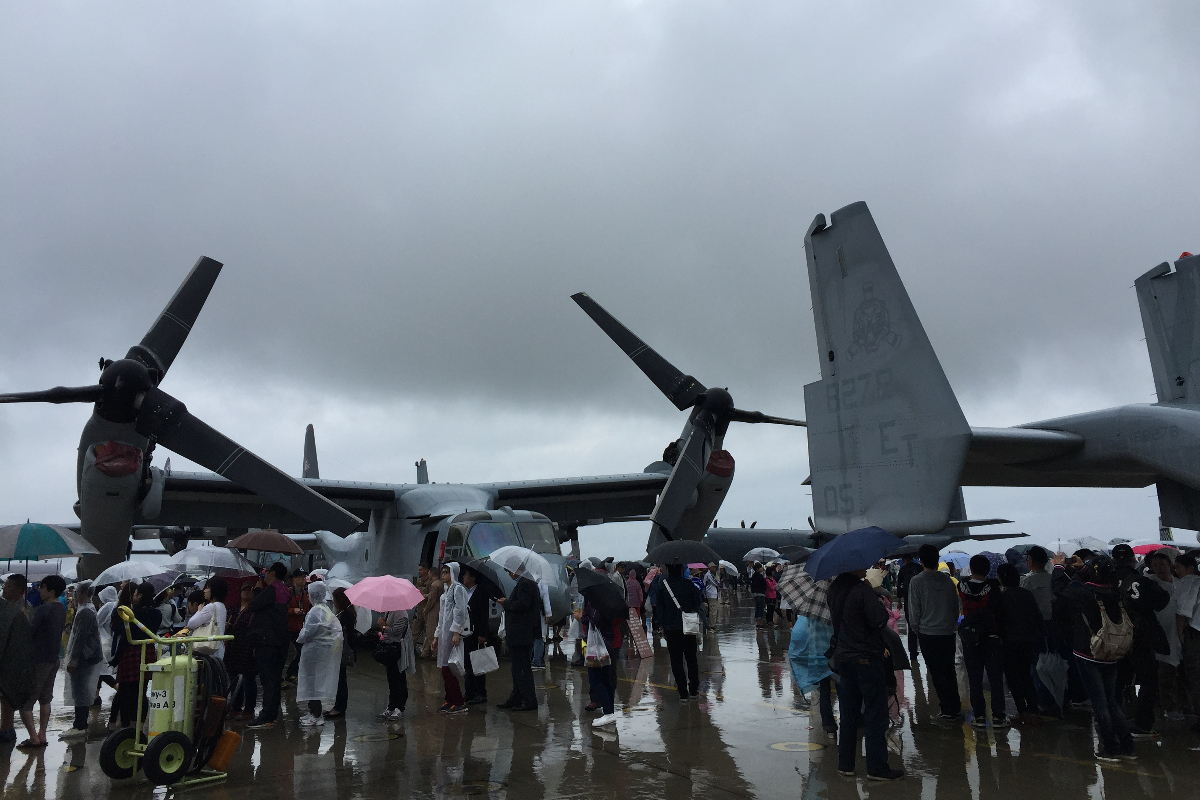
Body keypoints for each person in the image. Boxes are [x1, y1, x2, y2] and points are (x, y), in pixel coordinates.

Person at [828, 568, 903, 781]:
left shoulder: (834, 589)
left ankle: (846, 764)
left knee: (849, 712)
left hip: (844, 657)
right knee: (875, 713)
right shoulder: (862, 590)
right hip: (866, 657)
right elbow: (879, 620)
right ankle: (877, 766)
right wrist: (874, 598)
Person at [1061, 555, 1136, 762]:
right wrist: (1085, 569)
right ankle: (1127, 746)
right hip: (1111, 654)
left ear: (1093, 573)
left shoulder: (1084, 592)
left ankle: (1110, 748)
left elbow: (1060, 587)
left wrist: (1060, 565)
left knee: (1099, 704)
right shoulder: (1115, 591)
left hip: (1089, 652)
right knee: (1111, 702)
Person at [1111, 543, 1170, 739]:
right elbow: (1162, 600)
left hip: (1113, 638)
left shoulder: (1105, 581)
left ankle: (1113, 718)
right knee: (1148, 680)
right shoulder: (1140, 581)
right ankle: (1143, 724)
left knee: (1117, 680)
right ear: (1132, 559)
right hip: (1140, 638)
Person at [907, 544, 962, 721]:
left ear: (921, 561)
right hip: (947, 633)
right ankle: (955, 707)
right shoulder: (947, 581)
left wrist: (917, 630)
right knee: (949, 670)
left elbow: (914, 611)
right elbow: (955, 607)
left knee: (936, 673)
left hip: (928, 633)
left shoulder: (916, 582)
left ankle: (946, 709)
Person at [15, 575, 68, 749]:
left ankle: (33, 737)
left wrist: (25, 617)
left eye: (43, 588)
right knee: (45, 699)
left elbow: (30, 633)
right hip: (53, 659)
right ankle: (42, 734)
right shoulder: (61, 609)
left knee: (26, 702)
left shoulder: (43, 610)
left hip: (38, 660)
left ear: (51, 591)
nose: (40, 591)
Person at [958, 554, 1008, 729]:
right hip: (991, 636)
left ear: (971, 568)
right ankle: (998, 716)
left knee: (974, 678)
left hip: (970, 637)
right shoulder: (993, 587)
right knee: (995, 679)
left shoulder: (962, 586)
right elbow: (1001, 613)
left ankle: (979, 716)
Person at [111, 581, 161, 730]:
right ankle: (137, 726)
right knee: (142, 691)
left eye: (135, 593)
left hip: (131, 653)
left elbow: (126, 637)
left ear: (139, 595)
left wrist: (116, 658)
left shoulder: (132, 614)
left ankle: (121, 726)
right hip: (149, 652)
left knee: (125, 692)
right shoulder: (157, 613)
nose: (133, 595)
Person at [996, 564, 1042, 724]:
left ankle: (1022, 711)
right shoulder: (1027, 594)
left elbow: (999, 621)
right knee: (1026, 676)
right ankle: (1034, 711)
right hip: (1028, 640)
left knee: (1012, 678)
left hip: (1009, 642)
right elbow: (1037, 617)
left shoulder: (1001, 597)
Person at [247, 563, 290, 729]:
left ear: (272, 573)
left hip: (267, 640)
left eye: (266, 572)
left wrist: (258, 590)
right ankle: (272, 713)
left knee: (268, 679)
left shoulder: (272, 590)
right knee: (275, 678)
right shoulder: (285, 590)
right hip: (280, 640)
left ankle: (266, 715)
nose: (264, 574)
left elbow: (255, 605)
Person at [296, 581, 342, 726]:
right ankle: (313, 712)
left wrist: (300, 636)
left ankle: (316, 715)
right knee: (313, 683)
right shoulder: (325, 610)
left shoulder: (315, 611)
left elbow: (307, 633)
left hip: (313, 654)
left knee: (312, 684)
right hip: (318, 654)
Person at [1145, 550, 1184, 721]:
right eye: (1155, 565)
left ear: (1170, 565)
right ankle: (1168, 707)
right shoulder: (1149, 584)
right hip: (1159, 634)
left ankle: (1182, 706)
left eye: (1162, 564)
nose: (1159, 568)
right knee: (1164, 673)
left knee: (1178, 672)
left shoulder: (1179, 584)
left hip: (1177, 633)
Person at [61, 581, 102, 739]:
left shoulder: (85, 612)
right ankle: (80, 723)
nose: (75, 595)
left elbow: (79, 638)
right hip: (88, 657)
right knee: (82, 691)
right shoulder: (87, 609)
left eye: (77, 592)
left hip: (84, 658)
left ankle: (80, 725)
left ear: (84, 593)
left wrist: (73, 660)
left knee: (80, 692)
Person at [655, 564, 703, 700]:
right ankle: (694, 689)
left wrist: (662, 626)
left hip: (671, 628)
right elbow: (697, 603)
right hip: (688, 626)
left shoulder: (663, 586)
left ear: (668, 570)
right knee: (691, 659)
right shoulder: (688, 584)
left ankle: (683, 692)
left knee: (676, 661)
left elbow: (659, 609)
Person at [497, 567, 541, 712]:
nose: (509, 575)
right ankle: (516, 697)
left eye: (509, 571)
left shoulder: (526, 584)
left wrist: (506, 603)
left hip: (521, 632)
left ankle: (529, 700)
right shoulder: (525, 583)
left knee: (522, 668)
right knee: (517, 668)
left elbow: (522, 604)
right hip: (519, 633)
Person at [577, 593, 620, 727]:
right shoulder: (608, 599)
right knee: (606, 679)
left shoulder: (596, 601)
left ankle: (608, 712)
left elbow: (594, 620)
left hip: (598, 646)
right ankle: (610, 711)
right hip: (607, 643)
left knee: (595, 679)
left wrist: (581, 617)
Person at [432, 563, 469, 713]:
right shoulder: (445, 593)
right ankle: (449, 699)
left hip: (452, 634)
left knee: (449, 668)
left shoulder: (458, 589)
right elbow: (441, 617)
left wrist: (456, 632)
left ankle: (458, 701)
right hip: (444, 634)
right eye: (443, 572)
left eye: (447, 572)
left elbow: (460, 611)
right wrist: (436, 636)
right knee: (444, 668)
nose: (443, 575)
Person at [0, 579, 33, 744]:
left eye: (9, 586)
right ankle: (6, 727)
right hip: (11, 656)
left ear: (19, 589)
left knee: (8, 693)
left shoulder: (23, 609)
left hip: (15, 658)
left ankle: (7, 729)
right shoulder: (8, 608)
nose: (5, 589)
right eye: (4, 586)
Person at [1172, 552, 1200, 732]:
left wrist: (1180, 637)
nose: (1176, 572)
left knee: (1196, 676)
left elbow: (1182, 612)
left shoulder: (1190, 581)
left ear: (1190, 568)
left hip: (1196, 634)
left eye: (1179, 568)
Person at [224, 583, 258, 720]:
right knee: (233, 676)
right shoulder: (233, 608)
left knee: (248, 679)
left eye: (249, 589)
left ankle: (249, 709)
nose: (246, 592)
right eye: (243, 589)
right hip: (233, 646)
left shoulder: (255, 609)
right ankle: (236, 707)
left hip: (248, 647)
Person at [378, 604, 415, 721]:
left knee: (399, 678)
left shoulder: (401, 613)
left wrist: (384, 626)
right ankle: (391, 706)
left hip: (398, 650)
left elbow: (396, 632)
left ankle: (400, 707)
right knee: (391, 679)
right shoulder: (390, 610)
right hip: (390, 648)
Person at [461, 568, 491, 705]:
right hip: (466, 632)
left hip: (476, 633)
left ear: (472, 578)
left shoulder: (481, 593)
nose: (463, 577)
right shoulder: (464, 592)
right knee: (467, 664)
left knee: (477, 663)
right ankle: (469, 692)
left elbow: (484, 616)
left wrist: (482, 634)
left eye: (466, 575)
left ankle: (480, 693)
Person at [329, 587, 357, 718]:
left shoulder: (344, 615)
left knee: (340, 680)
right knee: (340, 679)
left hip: (342, 651)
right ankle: (338, 705)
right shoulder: (347, 613)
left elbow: (343, 635)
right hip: (343, 650)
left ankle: (339, 707)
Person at [185, 577, 228, 658]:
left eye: (208, 588)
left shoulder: (210, 607)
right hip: (218, 649)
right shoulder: (222, 606)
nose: (205, 590)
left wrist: (199, 611)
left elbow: (191, 624)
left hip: (207, 650)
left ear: (214, 590)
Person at [284, 569, 311, 686]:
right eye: (300, 577)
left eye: (304, 577)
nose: (302, 579)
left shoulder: (306, 594)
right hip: (288, 628)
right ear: (294, 579)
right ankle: (287, 676)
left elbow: (308, 609)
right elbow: (281, 609)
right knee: (285, 654)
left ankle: (291, 674)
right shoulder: (288, 592)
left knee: (301, 652)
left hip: (300, 628)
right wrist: (292, 611)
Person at [895, 554, 923, 659]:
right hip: (921, 601)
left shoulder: (903, 570)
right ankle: (925, 649)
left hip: (908, 601)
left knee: (911, 626)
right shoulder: (920, 568)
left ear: (905, 560)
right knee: (923, 625)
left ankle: (912, 653)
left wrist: (899, 600)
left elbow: (899, 586)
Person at [420, 563, 444, 659]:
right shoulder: (441, 583)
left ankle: (434, 653)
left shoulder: (434, 585)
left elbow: (431, 599)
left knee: (431, 632)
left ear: (431, 573)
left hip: (434, 610)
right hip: (439, 609)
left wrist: (426, 609)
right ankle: (427, 652)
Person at [703, 564, 720, 631]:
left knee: (713, 610)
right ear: (710, 568)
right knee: (713, 611)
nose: (715, 569)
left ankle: (712, 624)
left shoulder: (710, 575)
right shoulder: (709, 575)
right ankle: (712, 625)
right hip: (711, 595)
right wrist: (719, 582)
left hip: (713, 594)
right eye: (714, 567)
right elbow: (716, 583)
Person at [750, 564, 768, 628]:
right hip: (760, 593)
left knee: (757, 608)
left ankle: (758, 622)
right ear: (757, 568)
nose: (761, 568)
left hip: (756, 594)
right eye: (760, 567)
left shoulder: (754, 576)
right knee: (760, 608)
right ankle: (760, 623)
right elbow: (764, 584)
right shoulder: (759, 576)